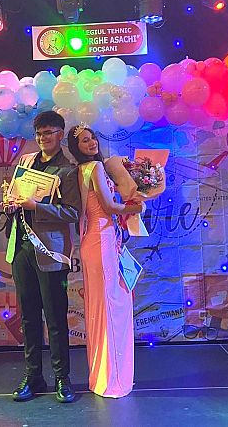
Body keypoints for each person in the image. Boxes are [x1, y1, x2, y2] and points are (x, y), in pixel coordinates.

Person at [3, 111, 80, 403]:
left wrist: (37, 206)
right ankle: (33, 376)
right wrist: (11, 203)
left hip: (50, 251)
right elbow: (17, 198)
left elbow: (73, 213)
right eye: (38, 133)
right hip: (21, 247)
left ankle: (62, 378)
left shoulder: (67, 170)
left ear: (60, 134)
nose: (42, 138)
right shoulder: (25, 162)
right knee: (29, 317)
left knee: (56, 318)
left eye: (48, 132)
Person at [66, 124, 144, 398]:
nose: (91, 143)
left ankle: (103, 377)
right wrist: (136, 207)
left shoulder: (83, 170)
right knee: (111, 306)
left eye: (92, 138)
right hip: (102, 240)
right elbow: (109, 207)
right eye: (84, 141)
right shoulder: (95, 168)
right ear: (76, 148)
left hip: (97, 239)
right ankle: (112, 380)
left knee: (103, 306)